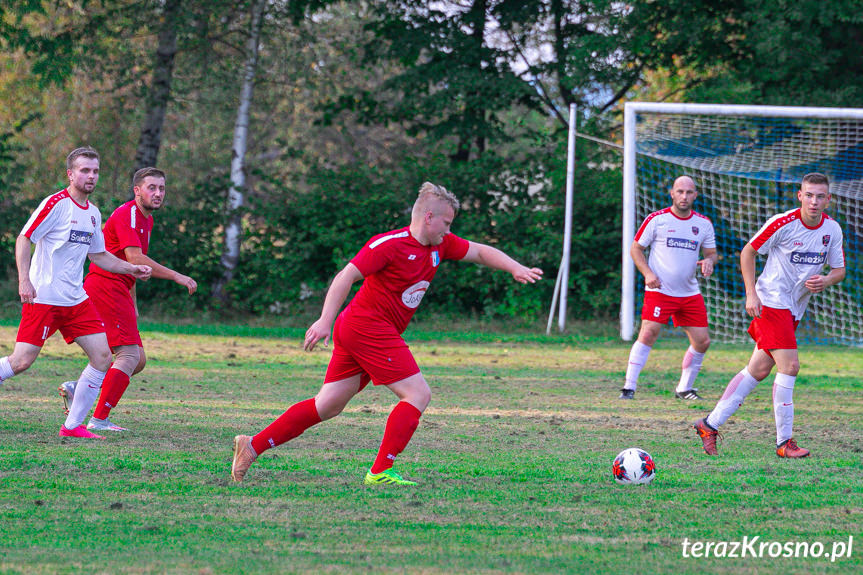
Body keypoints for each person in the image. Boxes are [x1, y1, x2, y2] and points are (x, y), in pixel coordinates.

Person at [231, 182, 543, 485]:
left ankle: (252, 445)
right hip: (367, 327)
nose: (449, 230)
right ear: (428, 217)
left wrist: (515, 267)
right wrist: (325, 319)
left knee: (327, 405)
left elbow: (479, 253)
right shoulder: (389, 245)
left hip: (363, 330)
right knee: (418, 394)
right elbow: (346, 276)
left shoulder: (441, 245)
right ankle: (380, 472)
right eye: (446, 222)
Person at [0, 147, 152, 439]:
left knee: (102, 357)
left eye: (95, 171)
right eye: (84, 170)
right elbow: (24, 238)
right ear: (70, 174)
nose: (91, 176)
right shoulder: (56, 204)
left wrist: (131, 269)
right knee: (21, 361)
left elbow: (100, 256)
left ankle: (72, 427)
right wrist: (24, 280)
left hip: (77, 300)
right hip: (44, 297)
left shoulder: (93, 214)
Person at [694, 172, 845, 458]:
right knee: (790, 367)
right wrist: (751, 293)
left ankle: (708, 424)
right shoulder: (783, 222)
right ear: (800, 196)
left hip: (794, 308)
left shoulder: (832, 230)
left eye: (820, 196)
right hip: (771, 301)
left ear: (829, 200)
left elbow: (840, 271)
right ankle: (784, 443)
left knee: (758, 370)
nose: (814, 201)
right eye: (809, 195)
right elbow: (748, 252)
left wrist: (826, 280)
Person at [59, 167, 198, 432]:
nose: (158, 193)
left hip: (118, 289)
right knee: (128, 355)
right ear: (137, 191)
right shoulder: (129, 214)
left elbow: (134, 268)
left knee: (138, 359)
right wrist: (177, 275)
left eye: (162, 188)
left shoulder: (146, 219)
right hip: (105, 287)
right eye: (151, 188)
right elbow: (135, 260)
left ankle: (81, 389)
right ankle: (98, 419)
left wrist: (132, 303)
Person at [620, 175, 717, 400]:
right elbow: (636, 249)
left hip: (689, 292)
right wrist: (648, 274)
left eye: (689, 192)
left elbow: (711, 254)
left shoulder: (703, 224)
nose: (684, 196)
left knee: (702, 341)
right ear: (672, 193)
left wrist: (710, 261)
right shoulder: (657, 219)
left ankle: (684, 388)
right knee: (648, 332)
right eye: (680, 191)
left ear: (695, 195)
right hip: (660, 290)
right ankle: (629, 387)